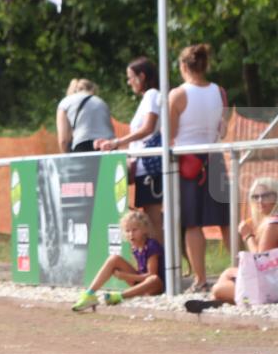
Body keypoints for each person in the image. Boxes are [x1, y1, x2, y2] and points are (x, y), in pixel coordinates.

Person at [168, 43, 230, 293]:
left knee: (193, 223)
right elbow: (223, 130)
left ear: (184, 66)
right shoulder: (220, 92)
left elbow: (170, 134)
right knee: (226, 221)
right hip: (214, 158)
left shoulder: (177, 94)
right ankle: (243, 272)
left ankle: (201, 279)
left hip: (188, 161)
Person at [96, 57, 164, 243]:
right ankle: (157, 262)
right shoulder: (149, 97)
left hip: (150, 166)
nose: (129, 82)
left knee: (152, 219)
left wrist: (117, 142)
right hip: (145, 165)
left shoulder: (151, 95)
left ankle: (161, 264)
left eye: (130, 77)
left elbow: (148, 128)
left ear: (141, 76)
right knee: (150, 218)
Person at [186, 178, 278, 312]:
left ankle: (221, 301)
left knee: (218, 288)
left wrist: (247, 235)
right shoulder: (270, 221)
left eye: (266, 196)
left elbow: (260, 260)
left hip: (271, 285)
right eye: (255, 196)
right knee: (228, 273)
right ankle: (220, 301)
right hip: (270, 279)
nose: (260, 201)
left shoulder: (272, 224)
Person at [73, 210, 164, 311]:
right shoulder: (135, 247)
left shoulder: (151, 245)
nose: (131, 234)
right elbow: (140, 272)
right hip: (142, 285)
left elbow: (151, 275)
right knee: (114, 258)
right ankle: (89, 294)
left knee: (153, 279)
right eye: (128, 231)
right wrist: (128, 276)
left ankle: (119, 296)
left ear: (144, 230)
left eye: (135, 230)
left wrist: (125, 276)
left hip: (156, 286)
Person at [57, 79, 115, 153]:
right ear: (93, 90)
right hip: (109, 145)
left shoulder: (65, 102)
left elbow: (63, 140)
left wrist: (65, 156)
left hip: (83, 146)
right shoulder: (101, 102)